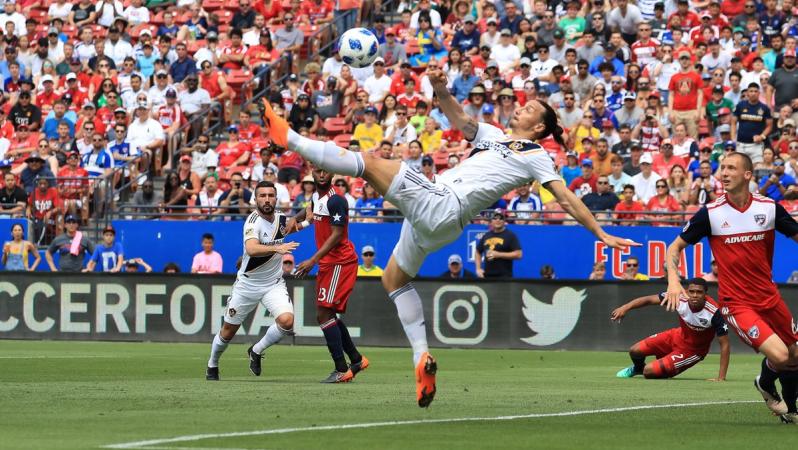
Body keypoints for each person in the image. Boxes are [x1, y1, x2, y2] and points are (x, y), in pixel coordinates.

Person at [260, 66, 637, 407]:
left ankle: (289, 138)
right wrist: (440, 88)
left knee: (371, 163)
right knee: (393, 279)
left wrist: (600, 233)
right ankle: (421, 356)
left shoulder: (535, 153)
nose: (521, 108)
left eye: (529, 109)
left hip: (443, 201)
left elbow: (565, 197)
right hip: (441, 222)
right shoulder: (495, 136)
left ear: (538, 127)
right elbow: (462, 120)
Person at [665, 152, 798, 422]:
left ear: (747, 175)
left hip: (769, 297)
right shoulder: (711, 213)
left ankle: (787, 405)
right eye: (722, 168)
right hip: (737, 304)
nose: (723, 173)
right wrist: (673, 280)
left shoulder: (768, 208)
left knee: (795, 355)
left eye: (731, 168)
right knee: (782, 355)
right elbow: (674, 248)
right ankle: (766, 384)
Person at [206, 182, 300, 382]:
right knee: (228, 331)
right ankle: (212, 364)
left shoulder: (281, 218)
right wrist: (277, 248)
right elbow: (251, 248)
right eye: (262, 196)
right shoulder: (252, 221)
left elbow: (290, 227)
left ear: (276, 198)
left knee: (287, 321)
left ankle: (256, 350)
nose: (267, 199)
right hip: (247, 285)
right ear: (255, 199)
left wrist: (310, 215)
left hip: (273, 284)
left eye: (270, 195)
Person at [291, 168, 369, 382]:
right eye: (318, 171)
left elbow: (337, 234)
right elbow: (308, 211)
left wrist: (312, 260)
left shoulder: (337, 200)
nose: (322, 174)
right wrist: (290, 222)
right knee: (327, 314)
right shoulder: (317, 197)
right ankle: (356, 359)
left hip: (339, 262)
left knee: (323, 314)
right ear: (312, 173)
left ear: (332, 174)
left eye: (326, 171)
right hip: (329, 263)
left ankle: (341, 369)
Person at [611, 278, 730, 381]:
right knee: (634, 351)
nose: (694, 295)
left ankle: (662, 369)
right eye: (691, 291)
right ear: (686, 291)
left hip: (692, 351)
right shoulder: (678, 297)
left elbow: (724, 344)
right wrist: (625, 308)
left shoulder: (714, 312)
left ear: (705, 294)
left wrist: (721, 377)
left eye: (699, 292)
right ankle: (638, 369)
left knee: (648, 371)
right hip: (676, 336)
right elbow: (649, 300)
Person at [475, 209, 522, 278]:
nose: (498, 220)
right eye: (495, 218)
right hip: (487, 277)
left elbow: (519, 254)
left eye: (500, 218)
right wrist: (478, 269)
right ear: (491, 220)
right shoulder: (486, 235)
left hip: (504, 277)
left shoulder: (510, 235)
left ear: (504, 220)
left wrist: (498, 254)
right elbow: (478, 251)